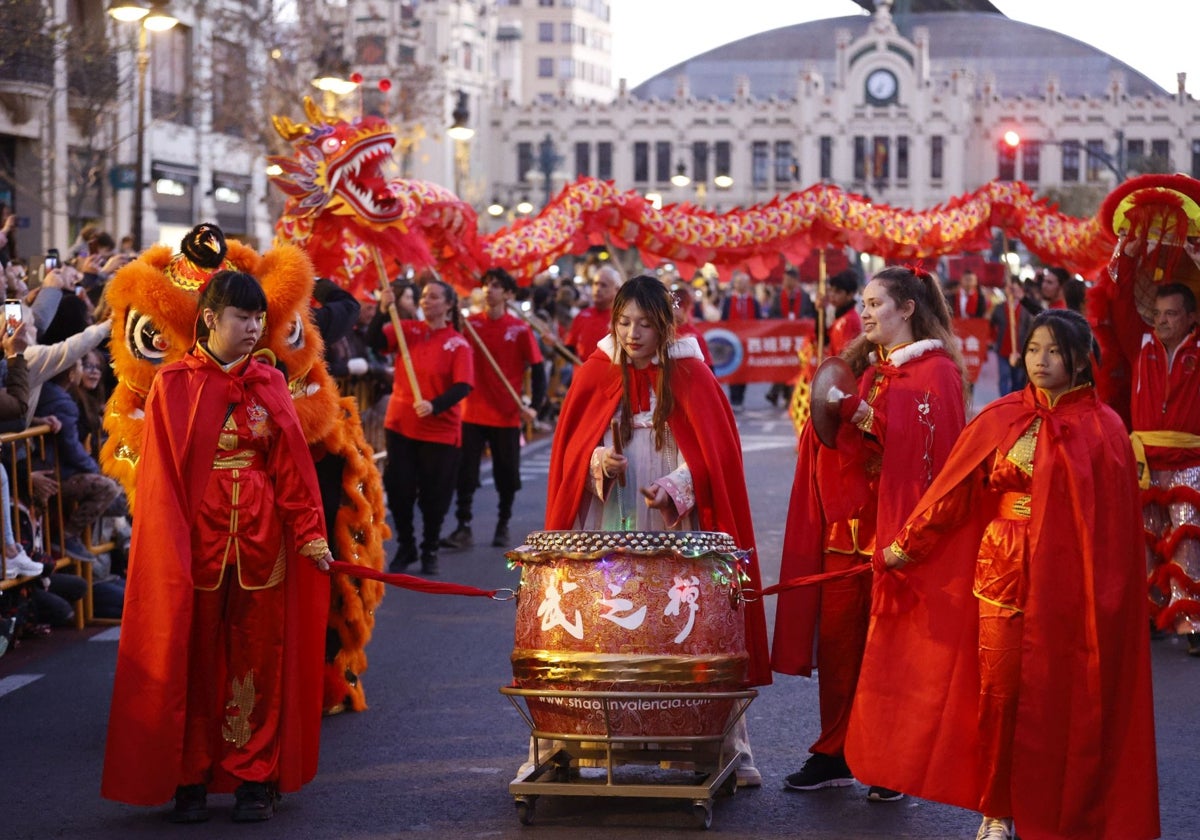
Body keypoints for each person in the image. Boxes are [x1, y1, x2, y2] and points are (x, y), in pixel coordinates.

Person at [848, 309, 1159, 840]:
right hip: (1003, 577)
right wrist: (903, 547)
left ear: (1081, 359)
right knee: (999, 697)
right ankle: (998, 810)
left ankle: (1066, 808)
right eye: (1034, 348)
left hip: (1073, 586)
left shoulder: (1106, 429)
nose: (1040, 360)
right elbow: (954, 492)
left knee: (1068, 698)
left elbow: (1114, 532)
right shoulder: (1003, 416)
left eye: (1054, 351)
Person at [102, 270, 333, 823]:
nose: (254, 329)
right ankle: (192, 776)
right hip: (196, 546)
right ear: (210, 318)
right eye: (242, 318)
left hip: (262, 543)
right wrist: (166, 548)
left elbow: (291, 470)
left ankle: (255, 775)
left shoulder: (271, 383)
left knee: (259, 658)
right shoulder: (174, 384)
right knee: (194, 658)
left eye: (258, 319)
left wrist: (310, 535)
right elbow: (160, 479)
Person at [545, 274, 771, 786]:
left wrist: (675, 486)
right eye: (624, 322)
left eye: (645, 324)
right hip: (611, 523)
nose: (632, 334)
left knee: (690, 629)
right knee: (604, 623)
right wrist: (597, 460)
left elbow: (717, 460)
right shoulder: (594, 373)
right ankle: (576, 737)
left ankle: (721, 744)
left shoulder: (693, 375)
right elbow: (571, 454)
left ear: (666, 325)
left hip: (678, 526)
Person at [773, 265, 966, 802]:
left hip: (897, 541)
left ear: (907, 308)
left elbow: (934, 457)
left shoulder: (938, 374)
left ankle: (887, 759)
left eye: (877, 303)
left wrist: (865, 419)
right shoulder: (867, 368)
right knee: (838, 649)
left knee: (891, 651)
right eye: (864, 302)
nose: (866, 312)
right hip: (845, 538)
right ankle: (834, 751)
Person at [367, 278, 474, 575]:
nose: (427, 301)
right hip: (401, 424)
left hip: (439, 431)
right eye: (424, 297)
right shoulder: (407, 331)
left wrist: (435, 405)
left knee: (433, 495)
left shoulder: (458, 343)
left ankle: (429, 548)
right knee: (398, 490)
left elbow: (463, 386)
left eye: (435, 297)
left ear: (449, 305)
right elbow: (374, 340)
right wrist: (381, 309)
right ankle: (407, 544)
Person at [442, 268, 544, 550]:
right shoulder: (469, 324)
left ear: (509, 294)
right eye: (486, 285)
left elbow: (538, 370)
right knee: (466, 472)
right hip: (472, 411)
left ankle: (503, 523)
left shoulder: (520, 329)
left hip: (507, 414)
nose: (490, 290)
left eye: (497, 286)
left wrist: (535, 406)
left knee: (507, 473)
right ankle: (463, 526)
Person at [1131, 282, 1200, 654]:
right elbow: (1121, 299)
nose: (1161, 321)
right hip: (1144, 460)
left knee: (1187, 537)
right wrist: (1125, 252)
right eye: (1157, 314)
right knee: (1144, 537)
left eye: (1171, 314)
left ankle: (1192, 623)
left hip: (1189, 461)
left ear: (1191, 318)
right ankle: (1149, 613)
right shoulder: (1140, 346)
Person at [720, 269, 762, 410]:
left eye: (743, 283)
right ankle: (734, 398)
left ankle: (741, 397)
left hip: (747, 341)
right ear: (735, 285)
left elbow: (759, 321)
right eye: (738, 283)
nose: (741, 285)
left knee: (744, 370)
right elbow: (723, 319)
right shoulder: (728, 301)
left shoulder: (753, 302)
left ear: (748, 285)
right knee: (733, 368)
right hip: (732, 341)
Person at [564, 264, 621, 359]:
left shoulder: (622, 320)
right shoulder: (582, 315)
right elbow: (569, 349)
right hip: (581, 371)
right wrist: (554, 344)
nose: (598, 289)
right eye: (595, 284)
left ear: (617, 290)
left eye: (603, 285)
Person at [990, 275, 1034, 396]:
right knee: (1004, 378)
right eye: (1009, 288)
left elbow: (1031, 327)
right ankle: (1004, 404)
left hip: (1020, 350)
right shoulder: (999, 307)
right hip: (1003, 350)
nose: (1011, 291)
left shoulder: (1026, 308)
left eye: (1014, 289)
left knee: (1018, 380)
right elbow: (991, 324)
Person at [824, 269, 861, 358]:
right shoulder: (841, 317)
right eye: (831, 290)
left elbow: (845, 356)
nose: (832, 295)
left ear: (850, 295)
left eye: (838, 292)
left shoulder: (848, 320)